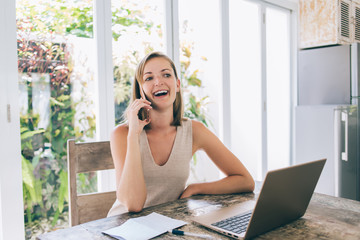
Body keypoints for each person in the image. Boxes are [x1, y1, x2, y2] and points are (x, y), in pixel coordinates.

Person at [107, 51, 254, 216]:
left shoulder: (194, 131)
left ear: (177, 85)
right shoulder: (122, 134)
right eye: (149, 78)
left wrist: (195, 188)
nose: (158, 82)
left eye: (166, 75)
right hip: (125, 228)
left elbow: (245, 180)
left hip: (170, 225)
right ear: (140, 90)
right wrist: (134, 134)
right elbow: (133, 205)